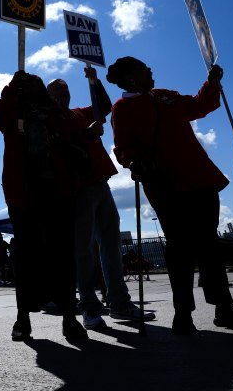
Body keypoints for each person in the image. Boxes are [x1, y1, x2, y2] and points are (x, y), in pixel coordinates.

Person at [106, 56, 233, 335]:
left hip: (200, 179)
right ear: (131, 77)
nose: (151, 69)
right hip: (165, 185)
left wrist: (212, 83)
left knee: (209, 246)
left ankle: (224, 309)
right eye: (144, 68)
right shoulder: (123, 107)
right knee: (179, 249)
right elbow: (122, 147)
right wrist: (132, 162)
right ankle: (183, 314)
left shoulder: (165, 95)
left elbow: (200, 105)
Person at [47, 69, 154, 330]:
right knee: (83, 251)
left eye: (66, 91)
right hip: (77, 189)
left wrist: (94, 82)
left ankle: (119, 303)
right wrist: (87, 135)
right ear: (49, 97)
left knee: (111, 245)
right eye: (58, 93)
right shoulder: (50, 120)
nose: (64, 96)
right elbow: (58, 149)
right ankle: (89, 307)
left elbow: (103, 106)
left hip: (100, 183)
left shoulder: (80, 113)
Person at [0, 71, 86, 343]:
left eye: (35, 84)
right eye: (26, 85)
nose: (31, 88)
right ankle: (23, 317)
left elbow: (73, 138)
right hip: (23, 193)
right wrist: (10, 89)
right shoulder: (12, 110)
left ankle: (69, 316)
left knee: (63, 255)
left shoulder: (55, 113)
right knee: (26, 256)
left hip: (57, 191)